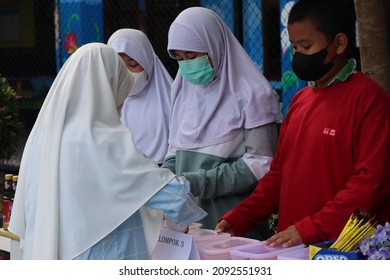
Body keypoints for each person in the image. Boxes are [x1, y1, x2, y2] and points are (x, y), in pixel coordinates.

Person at [216, 0, 390, 247]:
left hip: (342, 249)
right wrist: (240, 217)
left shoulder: (369, 99)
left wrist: (313, 227)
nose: (297, 56)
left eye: (306, 46)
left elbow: (371, 183)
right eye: (295, 47)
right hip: (292, 246)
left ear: (339, 43)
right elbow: (278, 175)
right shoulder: (300, 100)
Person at [8, 43, 206, 260]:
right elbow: (169, 194)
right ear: (108, 86)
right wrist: (181, 222)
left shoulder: (43, 138)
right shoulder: (103, 139)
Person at [162, 7, 282, 238]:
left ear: (214, 46)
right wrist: (165, 177)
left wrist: (198, 182)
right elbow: (175, 148)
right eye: (180, 58)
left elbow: (261, 164)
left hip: (233, 222)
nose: (186, 65)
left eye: (193, 56)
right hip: (188, 223)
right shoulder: (181, 90)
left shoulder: (253, 94)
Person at [107, 29, 171, 164]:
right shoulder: (105, 105)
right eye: (118, 66)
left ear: (148, 62)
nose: (126, 73)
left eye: (133, 64)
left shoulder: (172, 101)